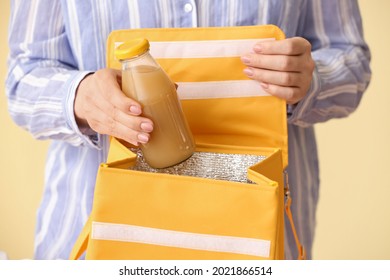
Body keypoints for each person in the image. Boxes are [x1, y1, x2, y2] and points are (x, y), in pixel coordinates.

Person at [6, 0, 371, 260]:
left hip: (260, 238)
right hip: (94, 232)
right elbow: (22, 78)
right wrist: (79, 96)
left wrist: (312, 78)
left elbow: (350, 59)